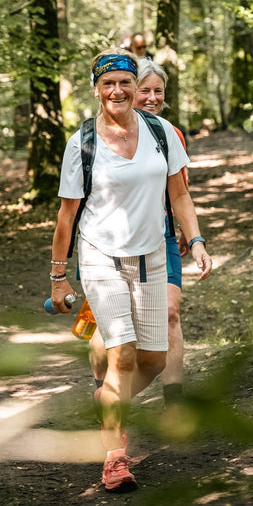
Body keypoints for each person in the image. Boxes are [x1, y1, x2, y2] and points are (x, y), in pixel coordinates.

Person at [48, 48, 212, 494]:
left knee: (154, 361)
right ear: (97, 89)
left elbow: (179, 195)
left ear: (133, 85)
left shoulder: (162, 132)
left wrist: (195, 239)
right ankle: (115, 458)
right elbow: (67, 215)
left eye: (125, 82)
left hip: (153, 257)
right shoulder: (82, 142)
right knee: (121, 354)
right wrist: (59, 276)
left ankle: (107, 402)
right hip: (101, 257)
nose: (117, 90)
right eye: (108, 83)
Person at [88, 59, 188, 408]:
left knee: (170, 313)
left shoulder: (168, 133)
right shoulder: (93, 138)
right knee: (115, 331)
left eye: (157, 91)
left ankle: (173, 403)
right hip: (107, 246)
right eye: (144, 89)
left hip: (159, 238)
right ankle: (104, 387)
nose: (150, 97)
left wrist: (190, 232)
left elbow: (180, 192)